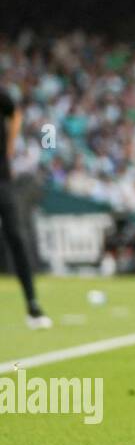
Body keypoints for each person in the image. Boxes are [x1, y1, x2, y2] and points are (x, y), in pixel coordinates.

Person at [0, 87, 51, 329]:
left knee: (17, 237)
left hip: (2, 179)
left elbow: (15, 112)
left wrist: (9, 145)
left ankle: (32, 304)